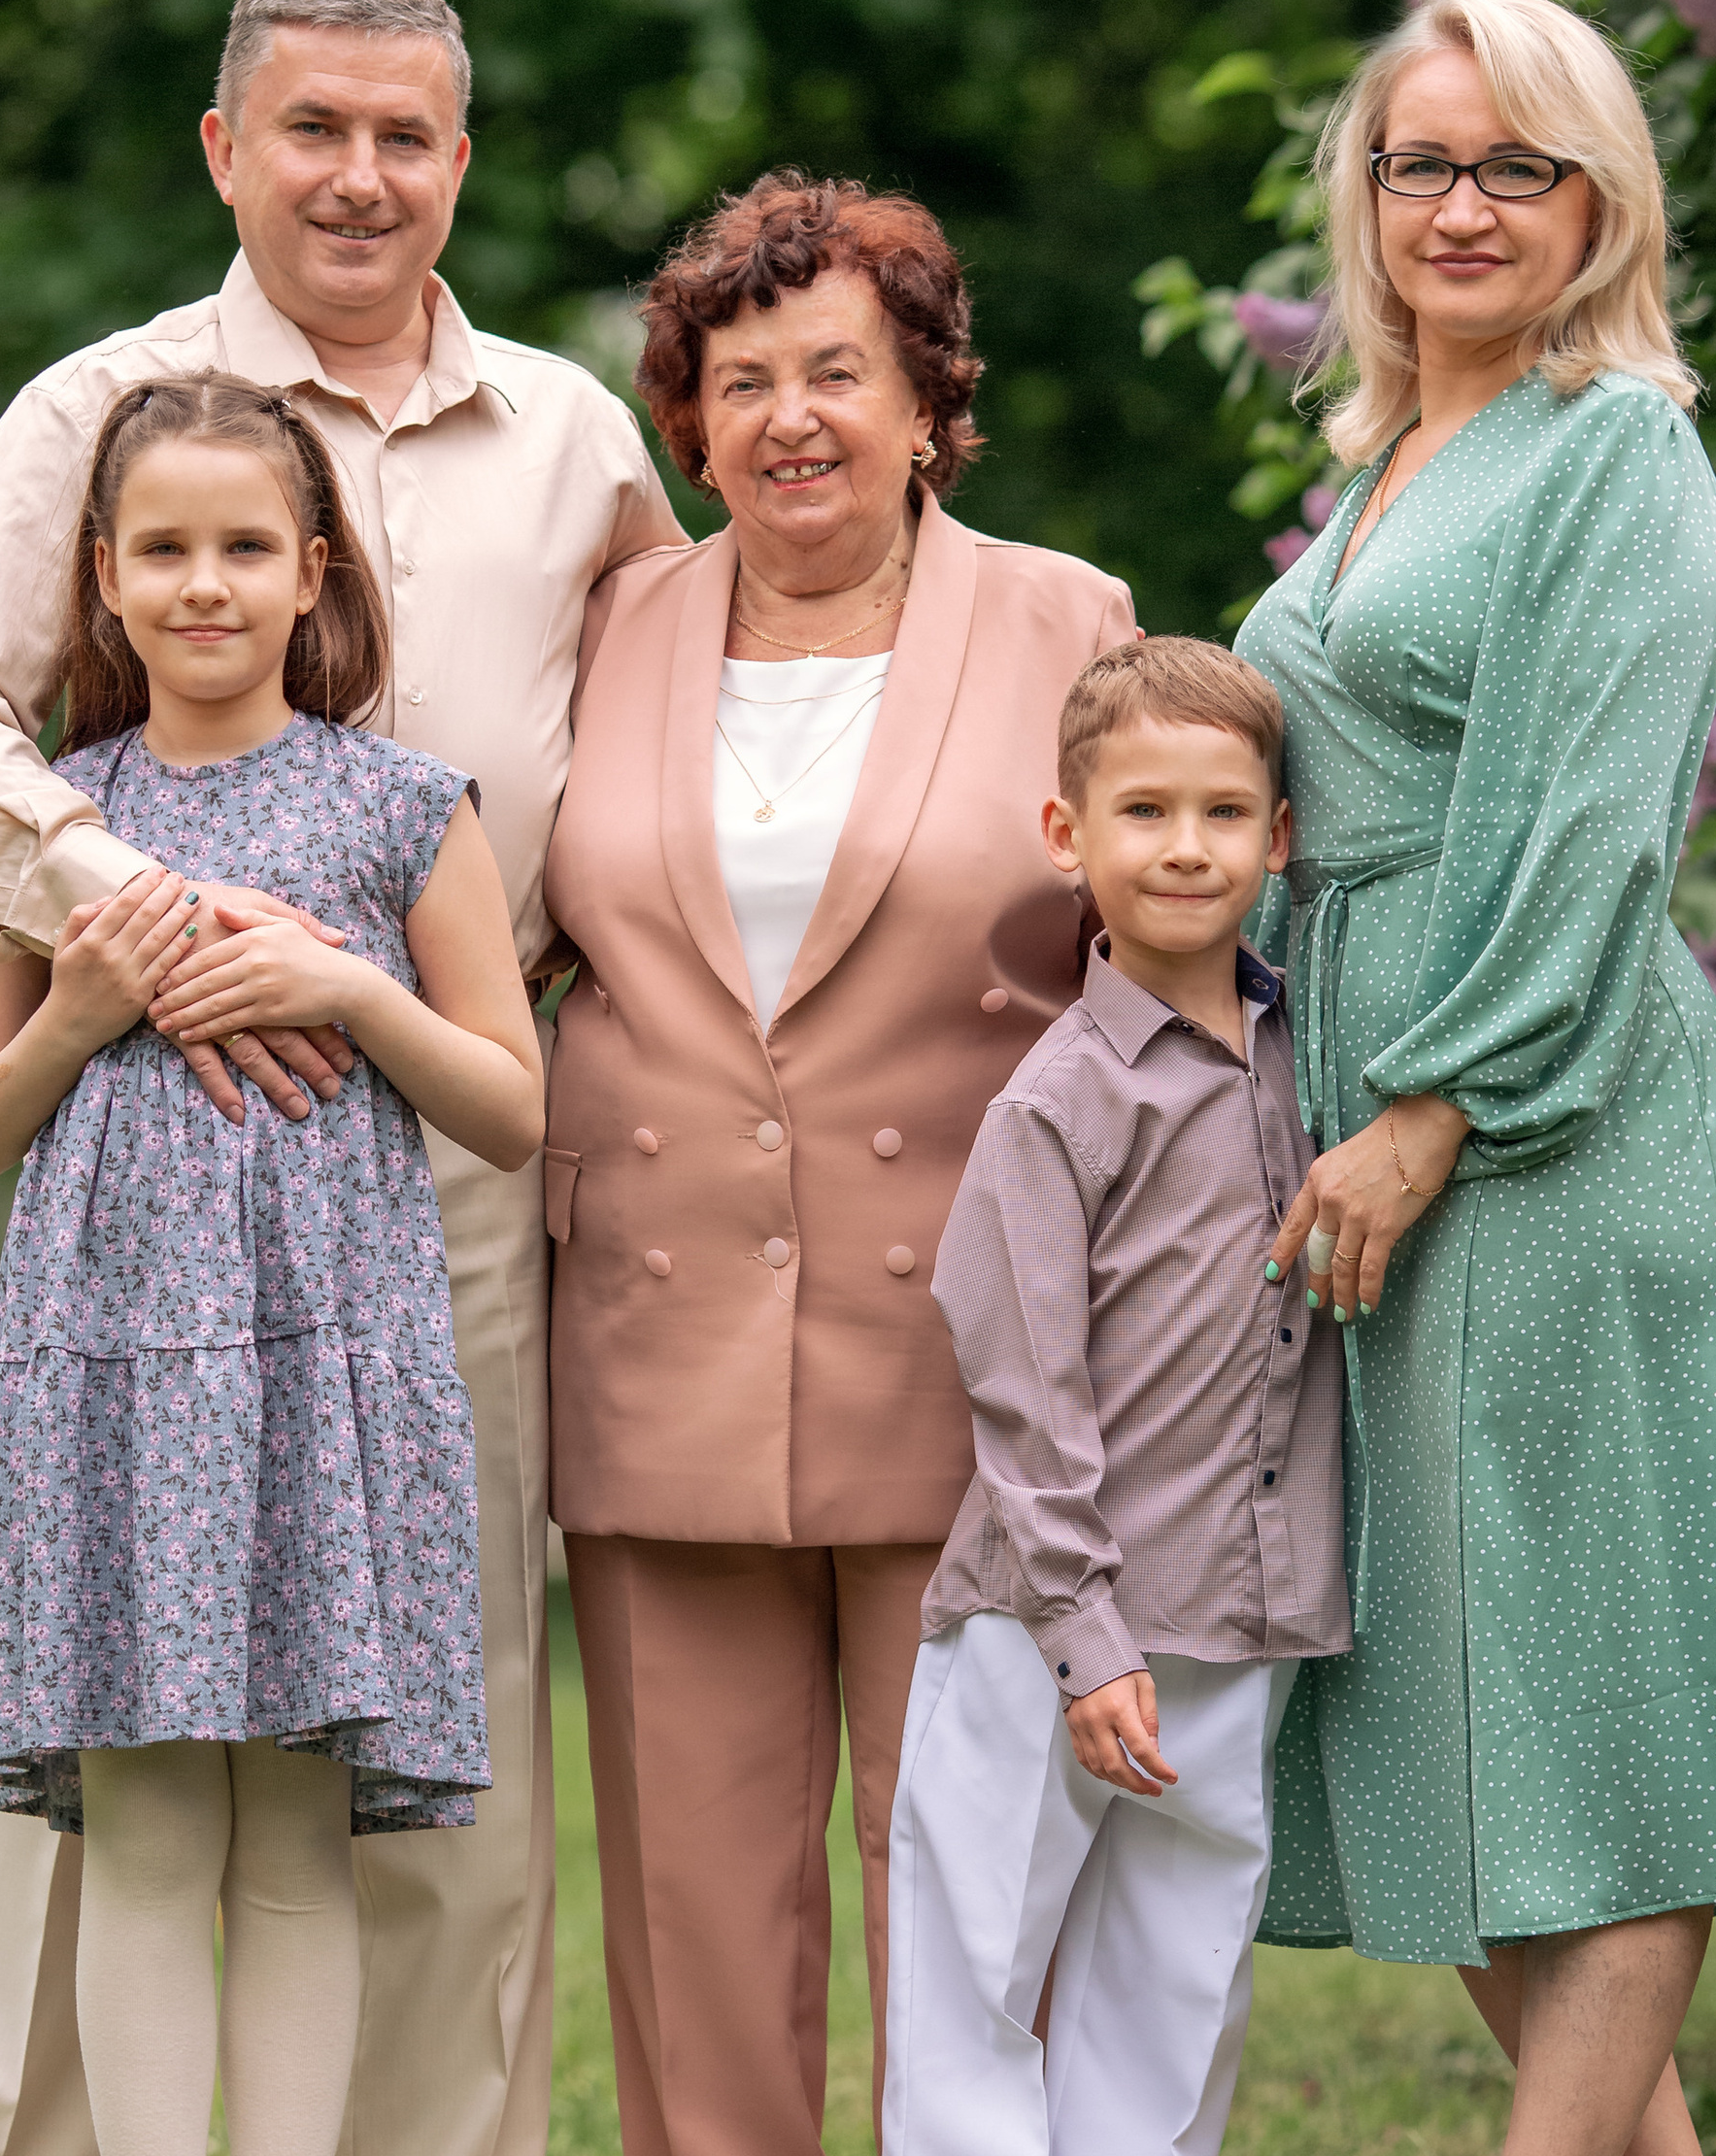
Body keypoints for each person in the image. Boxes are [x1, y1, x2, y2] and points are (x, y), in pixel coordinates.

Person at [0, 0, 684, 2156]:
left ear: (460, 158)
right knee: (94, 1755)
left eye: (403, 132)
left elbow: (677, 744)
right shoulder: (97, 409)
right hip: (132, 1158)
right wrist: (128, 921)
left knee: (429, 1741)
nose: (358, 174)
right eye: (310, 128)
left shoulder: (573, 432)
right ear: (227, 149)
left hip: (442, 1158)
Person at [1235, 0, 1716, 2155]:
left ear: (1598, 198)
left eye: (1517, 164)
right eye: (1421, 161)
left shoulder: (1614, 447)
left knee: (1601, 1706)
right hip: (1364, 1108)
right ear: (1367, 192)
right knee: (1442, 1693)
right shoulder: (1382, 458)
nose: (1462, 204)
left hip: (1542, 1112)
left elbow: (1592, 816)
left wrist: (1431, 1102)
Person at [540, 171, 1136, 2153]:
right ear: (686, 420)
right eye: (737, 378)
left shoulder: (1067, 617)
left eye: (836, 370)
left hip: (972, 1374)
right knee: (693, 1934)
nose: (788, 415)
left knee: (976, 1928)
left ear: (925, 399)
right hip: (656, 1351)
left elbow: (1145, 988)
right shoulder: (605, 624)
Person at [0, 374, 543, 2156]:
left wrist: (351, 990)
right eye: (167, 550)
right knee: (140, 1844)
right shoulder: (45, 829)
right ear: (105, 575)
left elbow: (511, 1104)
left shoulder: (404, 810)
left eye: (247, 548)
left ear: (312, 569)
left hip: (315, 1381)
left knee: (290, 1849)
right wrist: (86, 1009)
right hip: (110, 1380)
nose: (207, 586)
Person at [880, 636, 1348, 2156]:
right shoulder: (1060, 1099)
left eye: (1225, 814)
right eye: (1143, 812)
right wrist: (1086, 1641)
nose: (1188, 847)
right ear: (1067, 835)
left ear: (1280, 840)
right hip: (1051, 1626)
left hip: (1236, 1609)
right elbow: (1021, 1382)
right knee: (973, 1988)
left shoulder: (1312, 1057)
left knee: (1179, 1985)